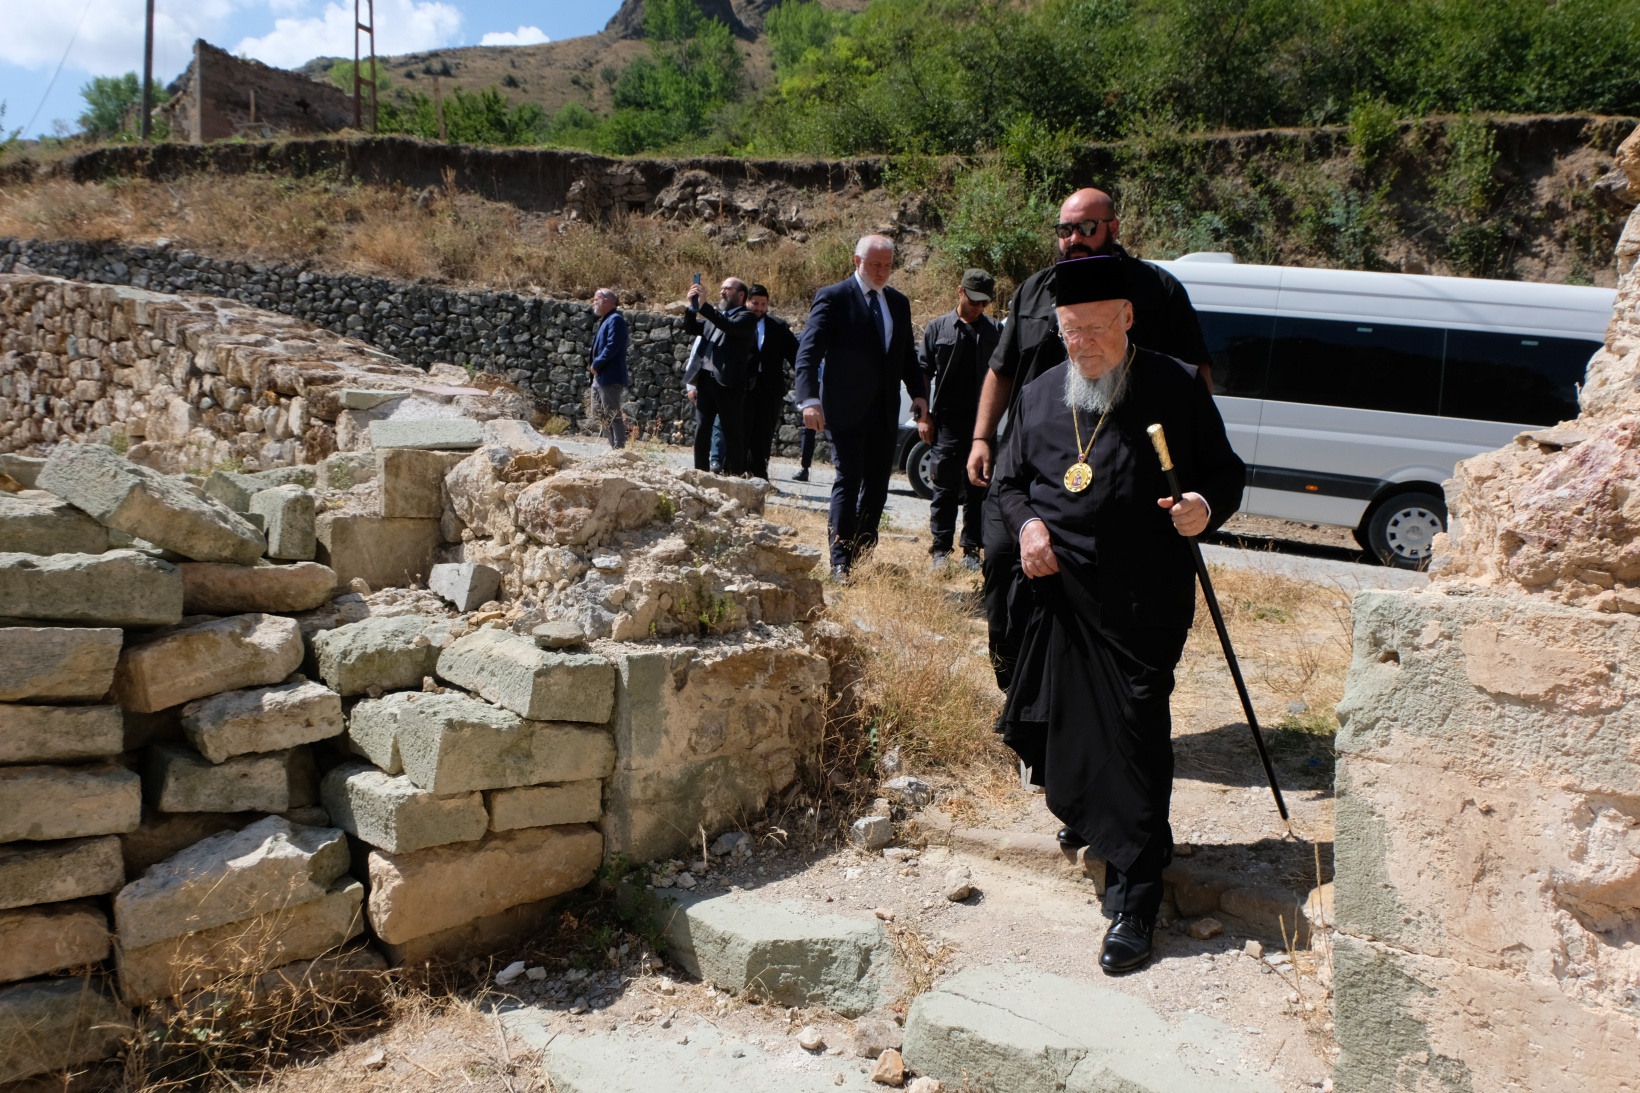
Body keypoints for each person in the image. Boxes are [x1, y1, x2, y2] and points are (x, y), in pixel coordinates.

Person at [995, 255, 1244, 975]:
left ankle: (1137, 891)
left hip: (1142, 601)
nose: (1085, 347)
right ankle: (1096, 823)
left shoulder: (1171, 384)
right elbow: (1010, 487)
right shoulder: (1043, 393)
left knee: (1137, 735)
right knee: (1067, 729)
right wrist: (1029, 528)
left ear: (1128, 319)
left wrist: (1203, 507)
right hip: (1059, 600)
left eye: (1099, 330)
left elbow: (1225, 475)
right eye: (1072, 332)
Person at [969, 187, 1212, 694]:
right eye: (1065, 230)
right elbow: (1002, 369)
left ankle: (1088, 704)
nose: (1074, 238)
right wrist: (981, 437)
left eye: (1087, 228)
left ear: (1114, 228)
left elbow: (1194, 378)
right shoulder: (1035, 291)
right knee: (1002, 571)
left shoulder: (1158, 291)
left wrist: (1190, 462)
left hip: (1119, 464)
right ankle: (1021, 695)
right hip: (1026, 466)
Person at [794, 235, 928, 578]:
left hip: (883, 412)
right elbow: (808, 352)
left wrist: (919, 394)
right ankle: (840, 561)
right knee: (849, 479)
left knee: (878, 487)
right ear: (857, 261)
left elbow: (906, 356)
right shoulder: (834, 298)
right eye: (874, 265)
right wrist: (809, 399)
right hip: (844, 411)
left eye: (887, 266)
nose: (882, 272)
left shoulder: (898, 302)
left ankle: (863, 553)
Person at [919, 268, 1000, 571]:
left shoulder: (995, 331)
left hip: (983, 423)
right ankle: (940, 549)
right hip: (948, 421)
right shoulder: (938, 328)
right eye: (975, 300)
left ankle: (972, 550)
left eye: (985, 302)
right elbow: (923, 374)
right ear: (960, 291)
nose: (980, 307)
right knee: (945, 485)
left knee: (979, 485)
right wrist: (923, 416)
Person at [684, 276, 759, 475]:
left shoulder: (747, 317)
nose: (722, 292)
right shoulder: (717, 316)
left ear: (741, 294)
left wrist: (705, 306)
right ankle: (700, 472)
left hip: (729, 385)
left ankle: (735, 474)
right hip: (706, 381)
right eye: (722, 288)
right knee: (702, 429)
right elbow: (692, 328)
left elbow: (728, 326)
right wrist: (692, 307)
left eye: (727, 288)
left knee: (731, 431)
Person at [745, 284, 800, 481]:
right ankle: (739, 474)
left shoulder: (779, 327)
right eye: (755, 303)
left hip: (770, 390)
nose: (759, 308)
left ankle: (760, 478)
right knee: (743, 431)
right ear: (746, 302)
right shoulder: (739, 323)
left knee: (764, 433)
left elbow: (796, 355)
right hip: (744, 388)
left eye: (763, 304)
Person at [588, 288, 629, 449]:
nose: (593, 303)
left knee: (612, 415)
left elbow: (613, 345)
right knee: (599, 413)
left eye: (595, 299)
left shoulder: (615, 320)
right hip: (600, 377)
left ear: (605, 300)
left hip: (609, 376)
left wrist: (597, 363)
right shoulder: (607, 319)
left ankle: (619, 451)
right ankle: (613, 447)